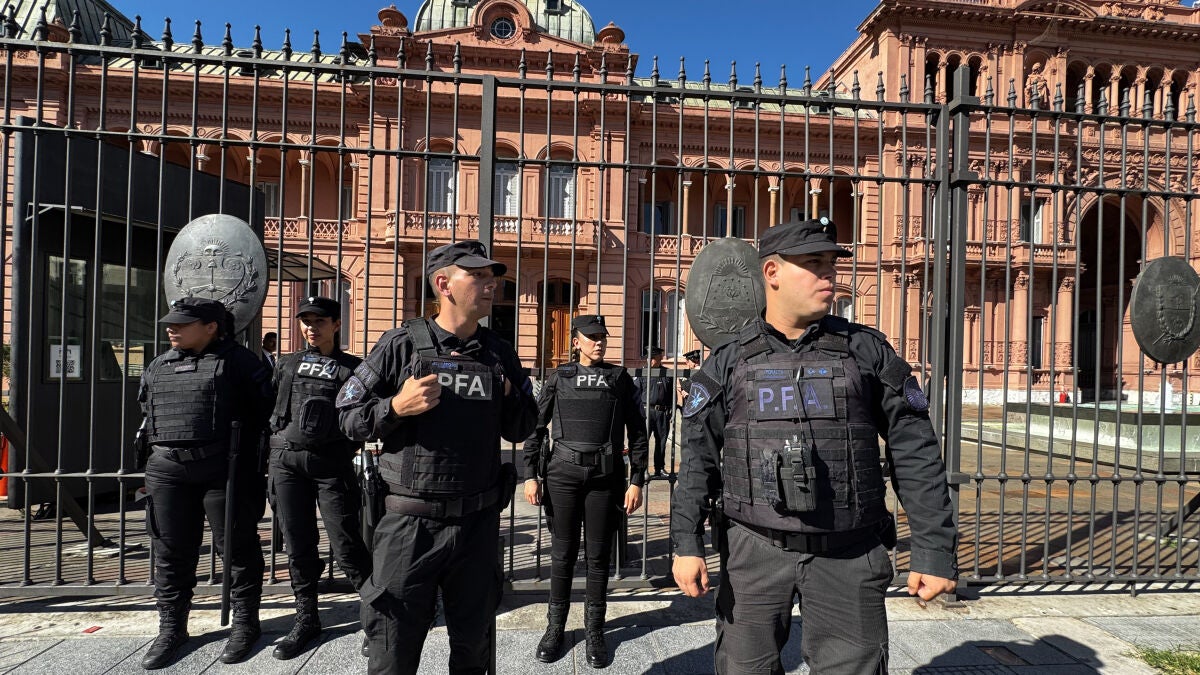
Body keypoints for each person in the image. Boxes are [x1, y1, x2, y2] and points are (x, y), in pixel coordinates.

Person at [670, 217, 958, 675]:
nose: (829, 275)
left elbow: (916, 452)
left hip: (848, 554)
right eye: (813, 264)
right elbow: (698, 458)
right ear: (772, 273)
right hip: (753, 552)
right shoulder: (729, 362)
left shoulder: (867, 353)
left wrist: (934, 550)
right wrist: (686, 541)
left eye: (831, 263)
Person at [336, 240, 537, 675]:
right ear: (444, 283)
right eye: (478, 276)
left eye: (492, 276)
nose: (491, 284)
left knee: (473, 651)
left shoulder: (499, 353)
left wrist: (509, 396)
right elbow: (347, 416)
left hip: (477, 527)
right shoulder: (400, 345)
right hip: (410, 528)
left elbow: (523, 428)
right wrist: (394, 408)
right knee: (393, 653)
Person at [137, 297, 273, 670]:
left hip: (223, 469)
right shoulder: (159, 365)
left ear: (211, 326)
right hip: (167, 468)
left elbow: (265, 415)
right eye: (171, 323)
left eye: (182, 323)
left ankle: (246, 623)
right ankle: (172, 627)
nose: (171, 328)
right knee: (169, 551)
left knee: (237, 548)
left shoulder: (242, 363)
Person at [521, 314, 649, 668]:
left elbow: (638, 432)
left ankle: (595, 630)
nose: (599, 342)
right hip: (561, 474)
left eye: (602, 337)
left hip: (605, 477)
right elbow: (536, 427)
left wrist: (637, 479)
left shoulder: (620, 379)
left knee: (598, 557)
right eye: (591, 337)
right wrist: (530, 473)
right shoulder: (559, 377)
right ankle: (555, 628)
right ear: (575, 341)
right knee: (562, 554)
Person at [267, 296, 372, 660]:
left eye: (320, 321)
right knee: (298, 544)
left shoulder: (352, 369)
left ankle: (375, 618)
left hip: (331, 463)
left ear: (336, 325)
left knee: (346, 544)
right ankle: (306, 619)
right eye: (306, 321)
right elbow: (270, 411)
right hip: (286, 461)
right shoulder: (287, 364)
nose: (311, 327)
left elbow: (364, 418)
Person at [633, 346, 673, 477]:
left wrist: (671, 410)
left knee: (661, 442)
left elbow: (672, 394)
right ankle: (642, 470)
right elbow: (636, 394)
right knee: (643, 442)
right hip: (646, 412)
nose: (649, 361)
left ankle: (659, 468)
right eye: (648, 358)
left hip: (662, 412)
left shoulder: (667, 373)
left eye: (653, 358)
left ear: (659, 358)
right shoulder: (642, 373)